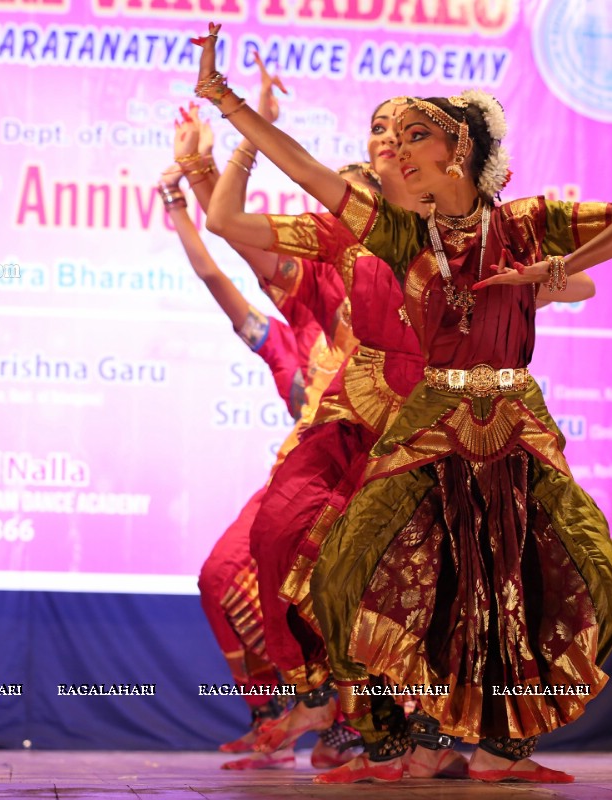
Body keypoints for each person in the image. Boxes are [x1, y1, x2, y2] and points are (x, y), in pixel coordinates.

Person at [192, 22, 612, 784]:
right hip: (405, 425)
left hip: (500, 427)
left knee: (530, 584)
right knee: (341, 567)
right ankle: (376, 730)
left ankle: (483, 742)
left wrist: (545, 271)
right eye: (385, 133)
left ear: (459, 152)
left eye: (413, 133)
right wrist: (238, 115)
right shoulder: (385, 233)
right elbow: (278, 195)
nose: (395, 145)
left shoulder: (514, 223)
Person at [164, 99, 358, 771]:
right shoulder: (297, 320)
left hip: (380, 466)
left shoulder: (401, 294)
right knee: (226, 572)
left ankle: (362, 721)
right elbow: (232, 256)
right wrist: (194, 177)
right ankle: (281, 707)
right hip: (308, 470)